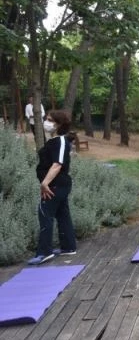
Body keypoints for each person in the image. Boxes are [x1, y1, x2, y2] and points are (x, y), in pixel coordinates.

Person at [28, 110, 77, 265]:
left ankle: (44, 252)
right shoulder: (53, 141)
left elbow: (57, 164)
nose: (46, 122)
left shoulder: (61, 141)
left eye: (50, 120)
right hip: (56, 184)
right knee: (62, 214)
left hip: (55, 185)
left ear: (59, 124)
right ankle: (68, 247)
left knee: (44, 213)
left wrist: (45, 183)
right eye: (46, 119)